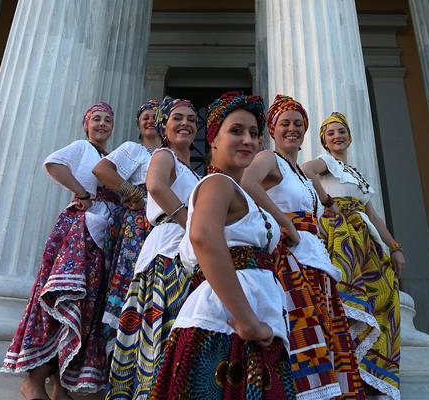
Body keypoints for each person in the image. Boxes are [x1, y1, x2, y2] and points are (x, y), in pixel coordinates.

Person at [149, 91, 295, 400]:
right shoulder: (217, 184)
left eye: (254, 133)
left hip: (248, 323)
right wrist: (247, 321)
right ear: (213, 139)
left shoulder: (238, 192)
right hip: (227, 324)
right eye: (236, 131)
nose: (248, 140)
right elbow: (203, 237)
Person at [242, 95, 364, 400]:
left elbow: (316, 206)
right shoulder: (269, 159)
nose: (292, 129)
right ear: (272, 129)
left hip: (314, 258)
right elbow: (247, 182)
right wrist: (284, 222)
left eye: (298, 123)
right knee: (301, 331)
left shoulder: (302, 175)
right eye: (285, 123)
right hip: (289, 258)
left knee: (323, 331)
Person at [2, 102, 121, 400]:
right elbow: (53, 163)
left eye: (107, 120)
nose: (102, 124)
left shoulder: (109, 157)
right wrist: (81, 193)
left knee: (85, 308)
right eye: (96, 119)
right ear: (86, 124)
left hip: (100, 236)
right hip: (80, 232)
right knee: (63, 297)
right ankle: (34, 381)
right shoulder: (83, 147)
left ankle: (59, 387)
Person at [302, 112, 403, 400]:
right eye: (331, 132)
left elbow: (375, 217)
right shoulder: (327, 163)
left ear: (349, 136)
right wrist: (326, 201)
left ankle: (371, 367)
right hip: (340, 236)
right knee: (344, 296)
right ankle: (343, 364)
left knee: (384, 294)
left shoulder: (357, 174)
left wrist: (395, 247)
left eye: (341, 131)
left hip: (365, 240)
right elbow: (305, 169)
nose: (337, 136)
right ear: (324, 139)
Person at [107, 97, 201, 400]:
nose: (185, 123)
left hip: (190, 249)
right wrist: (191, 224)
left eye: (191, 118)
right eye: (177, 118)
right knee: (160, 333)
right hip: (167, 250)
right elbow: (156, 187)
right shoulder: (164, 155)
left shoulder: (195, 173)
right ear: (164, 127)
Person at [94, 100, 160, 349]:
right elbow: (102, 170)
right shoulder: (134, 149)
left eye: (155, 116)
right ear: (138, 124)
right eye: (145, 116)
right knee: (131, 277)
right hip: (138, 224)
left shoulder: (169, 154)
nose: (150, 119)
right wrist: (135, 194)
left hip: (163, 225)